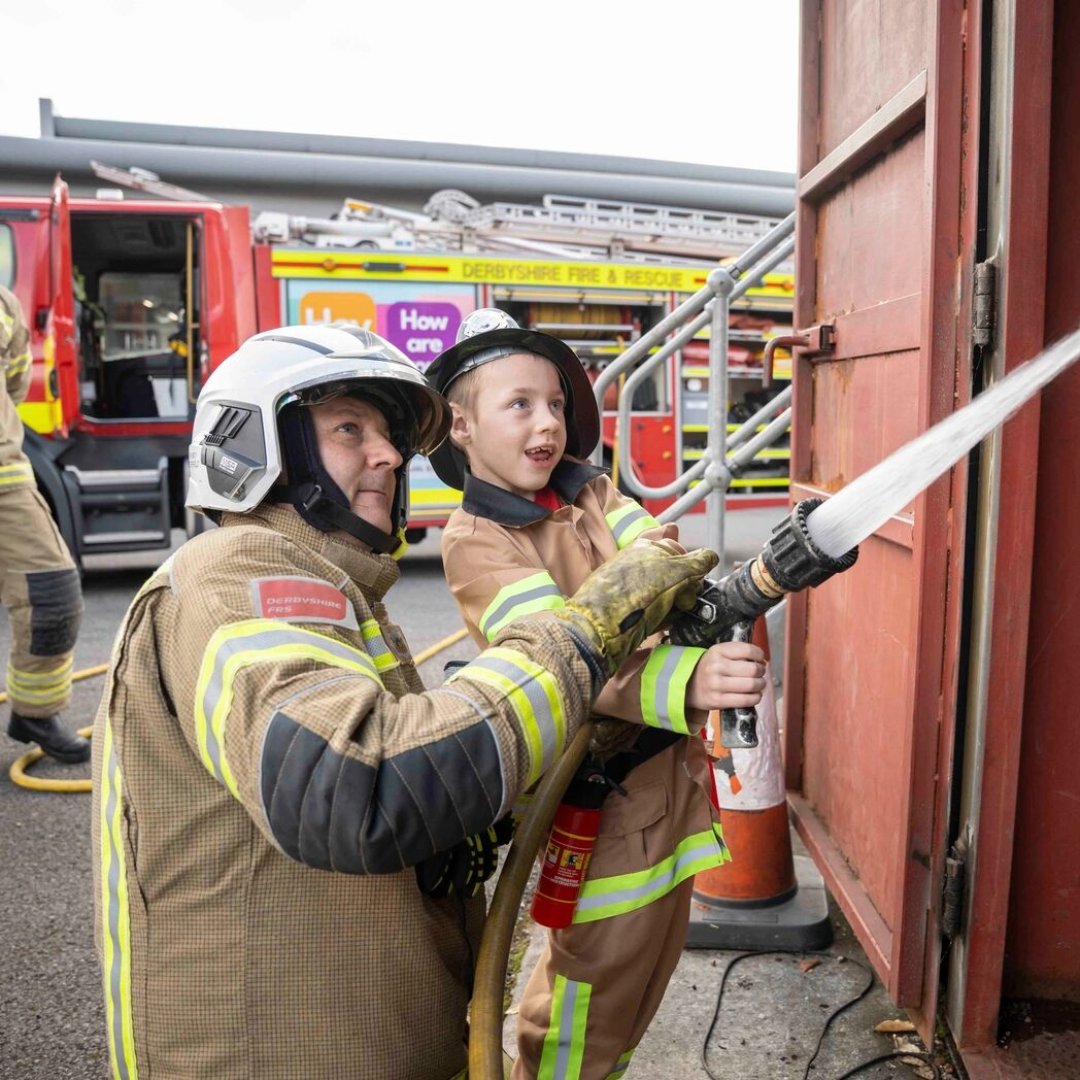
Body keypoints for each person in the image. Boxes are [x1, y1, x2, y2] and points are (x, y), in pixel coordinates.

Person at [89, 323, 717, 1080]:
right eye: (349, 428)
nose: (388, 454)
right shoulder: (235, 577)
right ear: (258, 445)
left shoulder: (335, 587)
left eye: (389, 434)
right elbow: (361, 788)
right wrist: (583, 636)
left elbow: (408, 769)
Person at [428, 310, 767, 1080]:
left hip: (668, 799)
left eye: (555, 404)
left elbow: (660, 554)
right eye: (519, 405)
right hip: (600, 811)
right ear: (461, 425)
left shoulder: (588, 489)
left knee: (639, 989)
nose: (547, 423)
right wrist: (690, 680)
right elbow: (563, 662)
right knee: (581, 1011)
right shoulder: (479, 540)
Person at [0, 284, 88, 763]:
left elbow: (13, 386)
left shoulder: (3, 306)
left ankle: (35, 711)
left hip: (5, 485)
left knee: (52, 597)